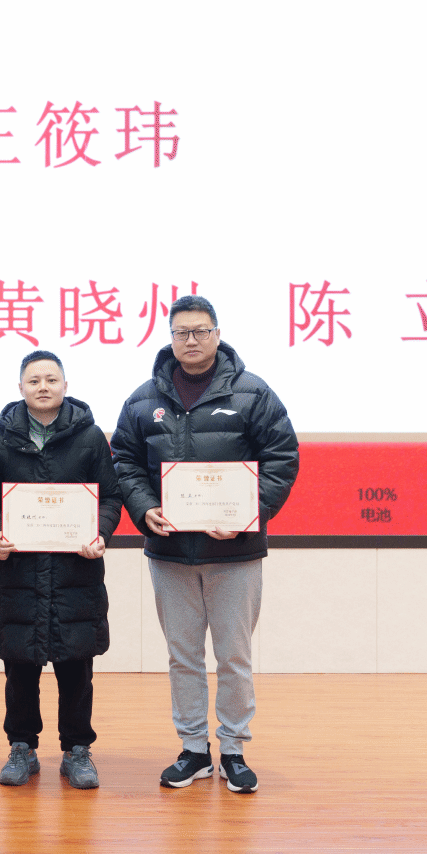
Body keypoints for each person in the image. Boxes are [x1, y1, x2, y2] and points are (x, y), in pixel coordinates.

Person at [111, 294, 298, 795]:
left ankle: (233, 749)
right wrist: (143, 507)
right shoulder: (143, 399)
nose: (190, 340)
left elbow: (282, 457)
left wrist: (248, 515)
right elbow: (123, 461)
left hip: (235, 553)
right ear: (170, 337)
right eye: (181, 332)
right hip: (170, 553)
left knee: (234, 657)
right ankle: (193, 748)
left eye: (200, 331)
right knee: (183, 657)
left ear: (217, 333)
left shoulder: (253, 394)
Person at [0, 350, 121, 790]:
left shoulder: (90, 438)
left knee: (76, 669)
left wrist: (101, 533)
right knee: (20, 668)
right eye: (33, 380)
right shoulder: (0, 440)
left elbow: (110, 497)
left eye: (51, 379)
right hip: (19, 573)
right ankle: (22, 748)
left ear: (65, 386)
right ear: (20, 388)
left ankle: (77, 751)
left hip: (77, 572)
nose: (43, 387)